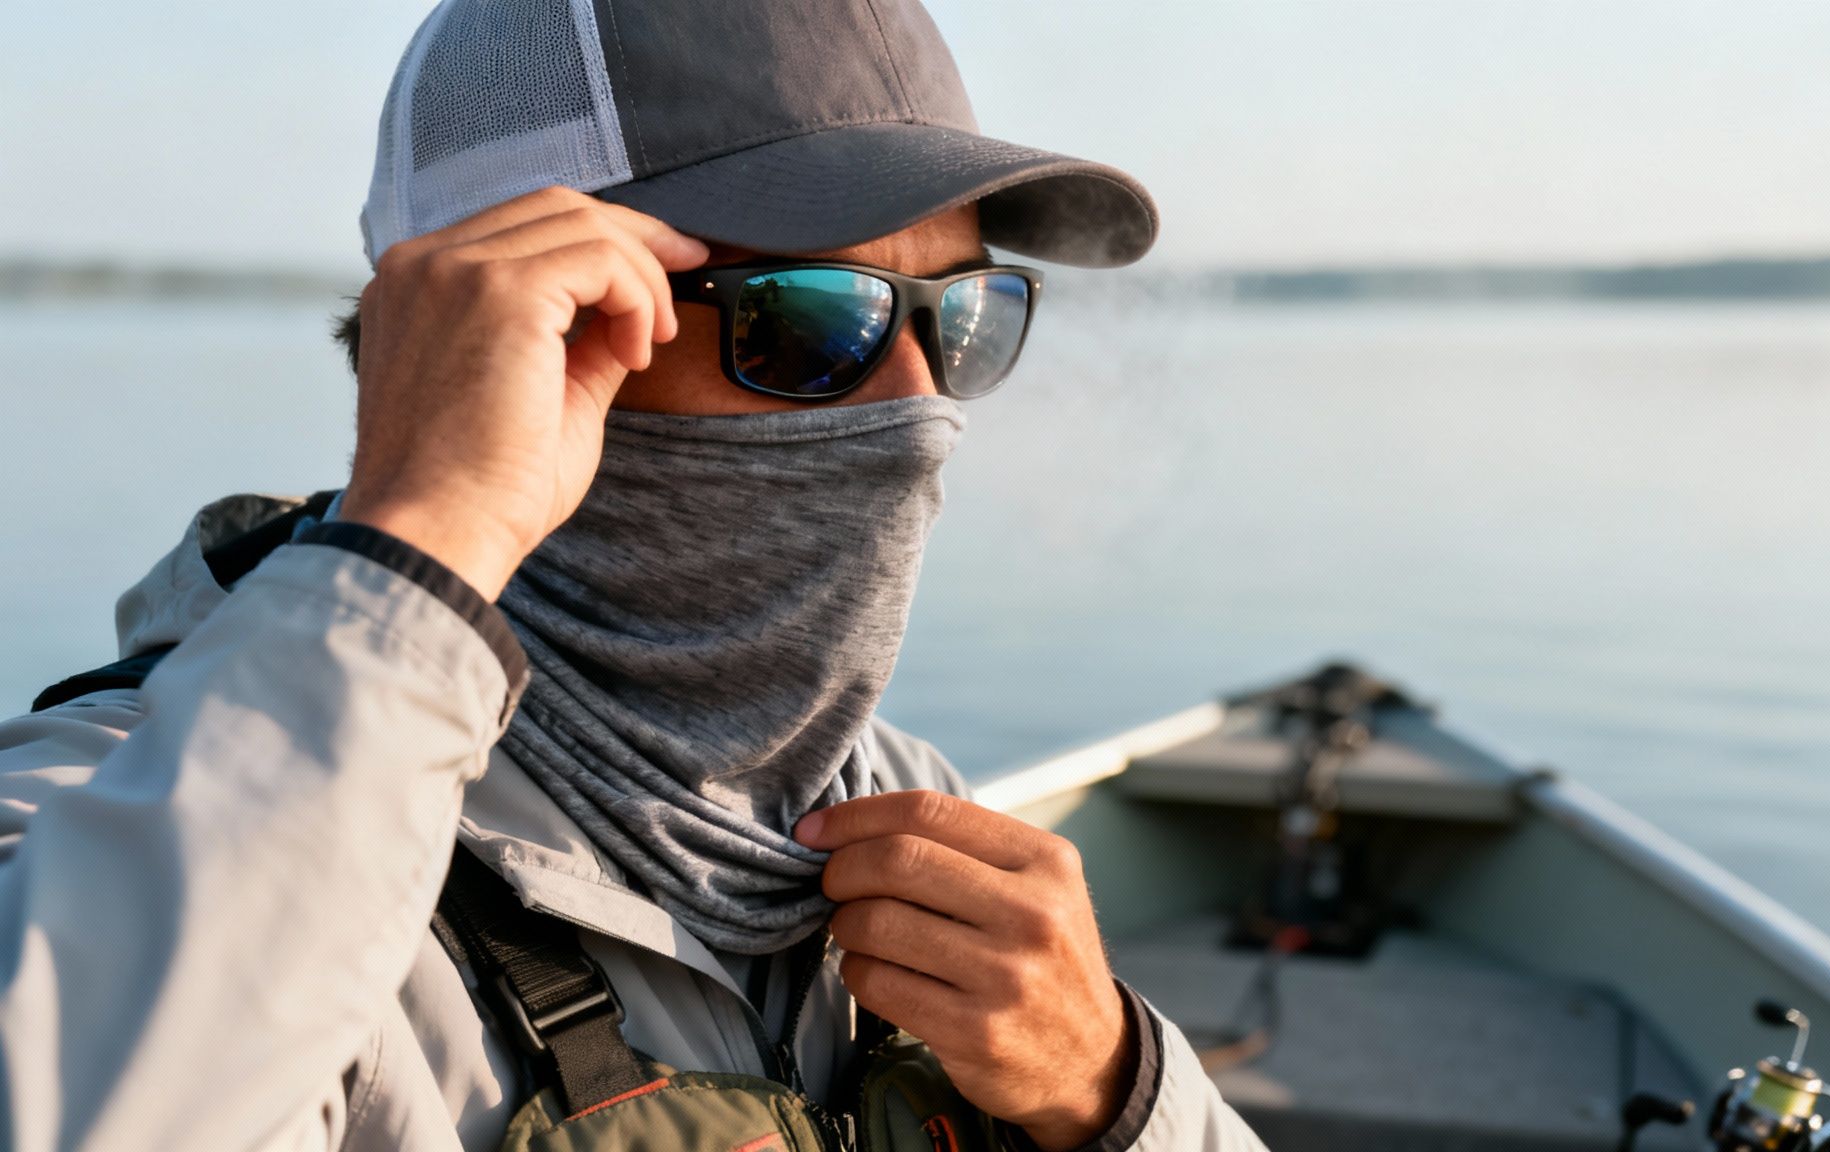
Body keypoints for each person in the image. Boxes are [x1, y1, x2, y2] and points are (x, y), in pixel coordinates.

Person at [0, 1, 1267, 1150]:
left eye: (959, 315)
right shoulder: (92, 816)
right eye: (812, 320)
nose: (917, 405)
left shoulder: (896, 798)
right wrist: (426, 526)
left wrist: (1111, 1086)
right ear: (514, 325)